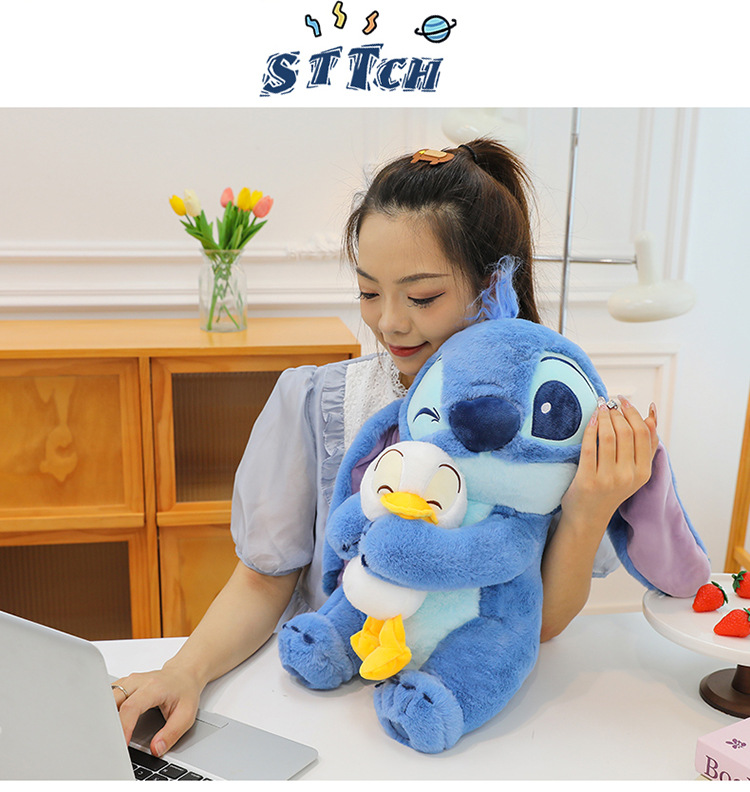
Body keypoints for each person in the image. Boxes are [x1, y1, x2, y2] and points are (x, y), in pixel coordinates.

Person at [113, 138, 659, 757]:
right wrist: (185, 671)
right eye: (369, 292)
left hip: (461, 717)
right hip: (322, 702)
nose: (390, 323)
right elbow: (264, 582)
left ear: (491, 286)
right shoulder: (321, 401)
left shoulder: (547, 422)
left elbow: (539, 623)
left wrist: (590, 507)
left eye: (421, 298)